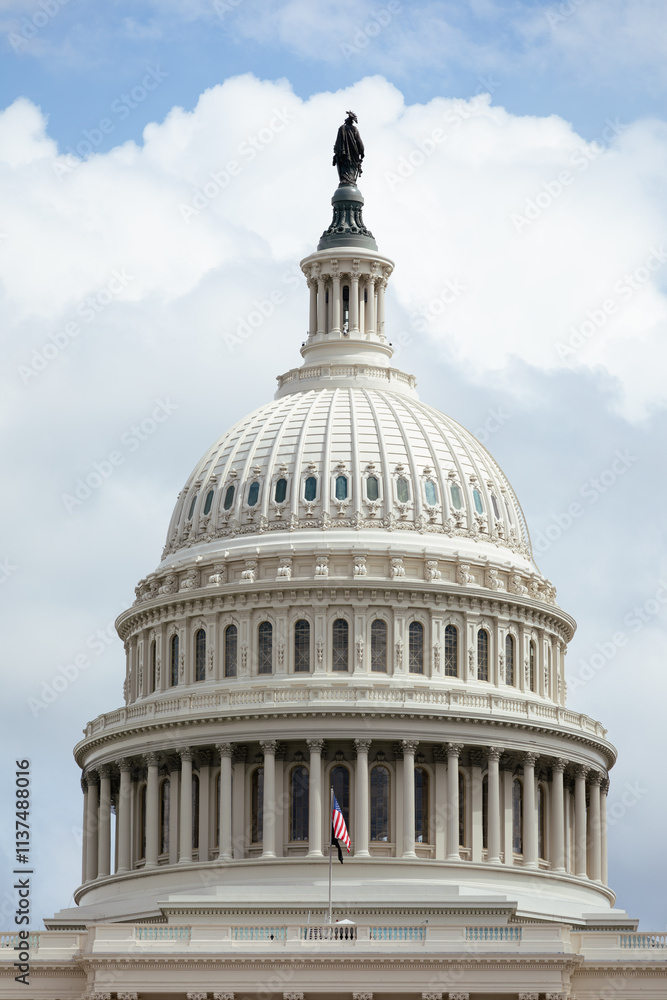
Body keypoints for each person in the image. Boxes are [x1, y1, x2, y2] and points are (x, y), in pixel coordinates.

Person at [332, 111, 364, 184]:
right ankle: (350, 181)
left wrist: (336, 151)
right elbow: (359, 141)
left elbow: (337, 142)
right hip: (353, 153)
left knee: (344, 167)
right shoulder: (354, 129)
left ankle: (345, 180)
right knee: (351, 168)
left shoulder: (341, 128)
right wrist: (362, 152)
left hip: (343, 154)